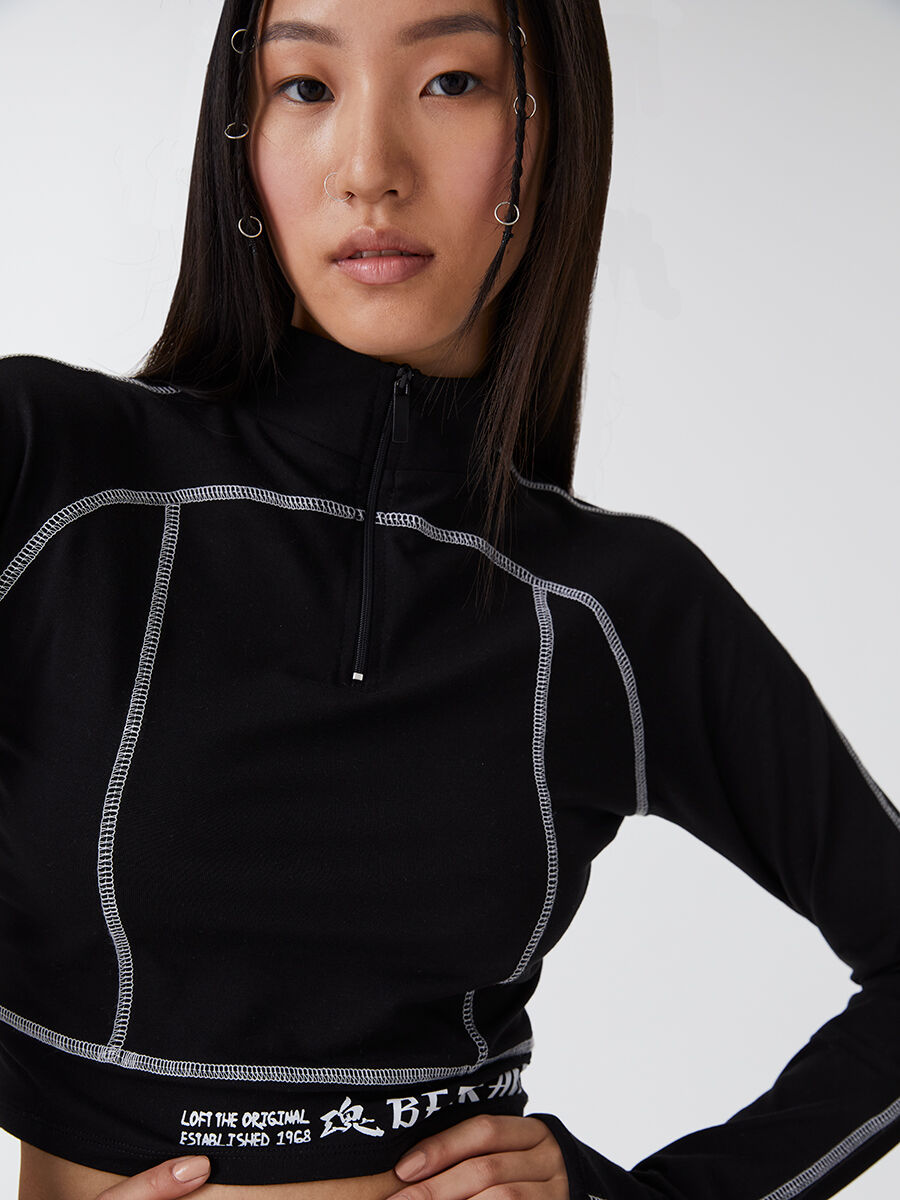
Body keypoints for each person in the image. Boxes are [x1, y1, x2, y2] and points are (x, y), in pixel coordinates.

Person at [0, 1, 897, 1199]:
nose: (370, 169)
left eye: (452, 82)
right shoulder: (52, 478)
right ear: (240, 139)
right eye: (306, 87)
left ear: (551, 129)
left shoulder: (613, 605)